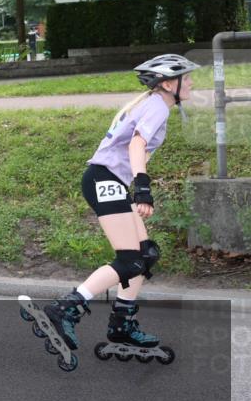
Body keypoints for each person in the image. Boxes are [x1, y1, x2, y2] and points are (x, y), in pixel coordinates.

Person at [44, 54, 200, 353]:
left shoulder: (152, 103)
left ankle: (122, 323)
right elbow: (136, 144)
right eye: (186, 77)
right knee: (130, 260)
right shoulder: (156, 106)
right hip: (104, 180)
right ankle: (66, 308)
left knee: (145, 255)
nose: (191, 81)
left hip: (108, 181)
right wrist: (142, 188)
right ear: (168, 83)